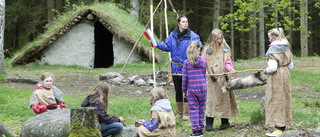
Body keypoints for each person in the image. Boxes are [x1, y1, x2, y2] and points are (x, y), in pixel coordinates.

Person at [155, 15, 202, 120]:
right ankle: (179, 112)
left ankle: (186, 113)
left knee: (187, 90)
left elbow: (199, 46)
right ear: (178, 23)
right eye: (183, 22)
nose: (186, 23)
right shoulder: (173, 35)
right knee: (178, 90)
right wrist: (156, 44)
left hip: (187, 67)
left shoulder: (193, 36)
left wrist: (194, 52)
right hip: (175, 68)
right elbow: (166, 47)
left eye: (187, 21)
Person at [201, 29, 239, 131]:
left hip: (223, 79)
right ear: (212, 39)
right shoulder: (207, 50)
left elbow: (228, 62)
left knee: (224, 99)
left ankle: (225, 122)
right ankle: (209, 123)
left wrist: (230, 69)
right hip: (211, 81)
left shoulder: (225, 49)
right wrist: (205, 72)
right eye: (217, 39)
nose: (219, 40)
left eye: (220, 38)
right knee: (211, 101)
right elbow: (202, 63)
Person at [264, 28, 293, 136]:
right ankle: (283, 126)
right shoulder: (286, 49)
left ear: (273, 37)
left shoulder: (273, 50)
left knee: (276, 99)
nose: (269, 40)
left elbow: (272, 67)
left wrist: (265, 70)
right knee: (284, 98)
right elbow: (291, 65)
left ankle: (278, 128)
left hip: (276, 77)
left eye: (269, 38)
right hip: (286, 75)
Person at [182, 41, 207, 136]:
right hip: (203, 88)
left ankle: (196, 130)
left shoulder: (186, 63)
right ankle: (201, 129)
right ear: (199, 49)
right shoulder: (203, 61)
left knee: (193, 110)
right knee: (201, 109)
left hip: (192, 89)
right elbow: (204, 74)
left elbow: (184, 79)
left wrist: (184, 91)